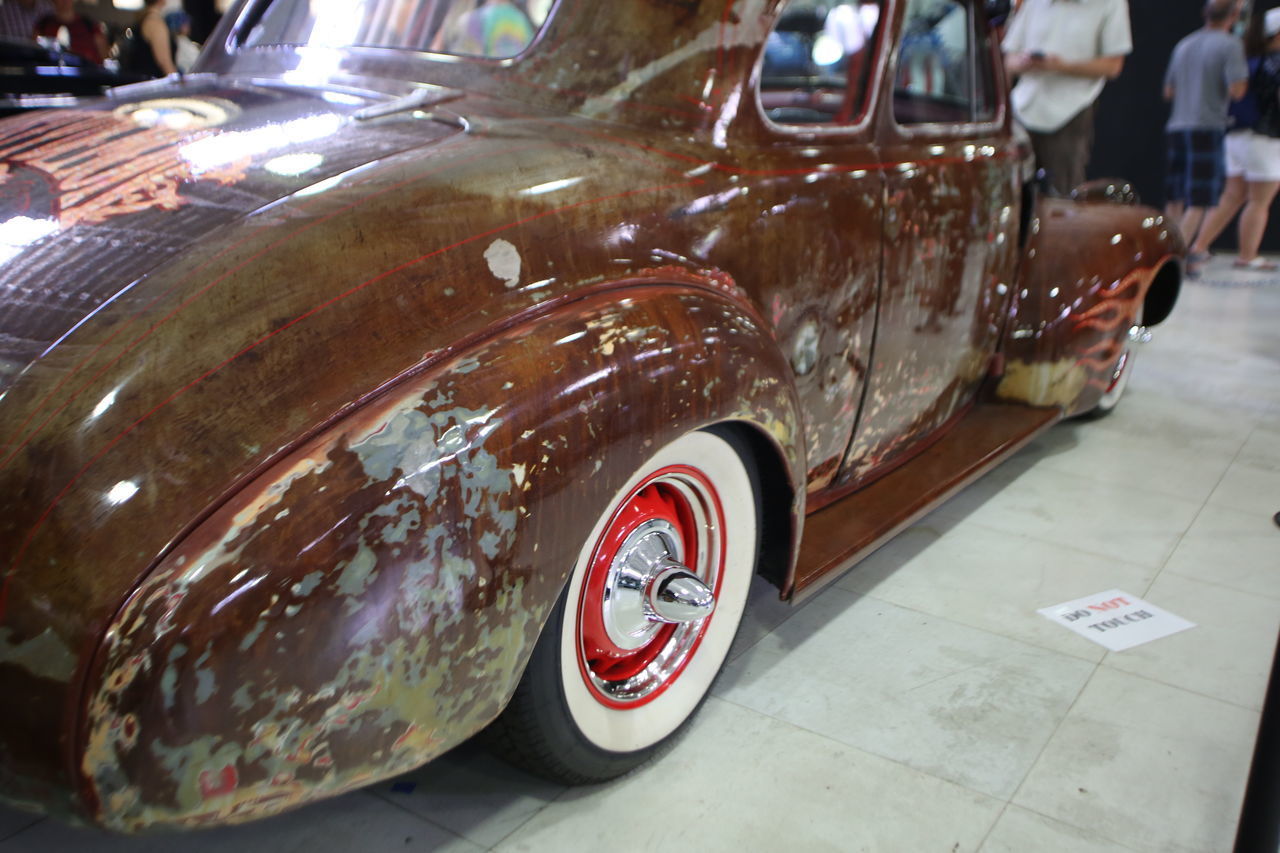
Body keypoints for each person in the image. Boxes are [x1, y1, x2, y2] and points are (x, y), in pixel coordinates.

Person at [1002, 0, 1133, 196]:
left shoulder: (1109, 4)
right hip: (1022, 109)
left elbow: (1113, 66)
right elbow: (1009, 58)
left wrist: (1061, 66)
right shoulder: (1033, 3)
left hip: (1070, 112)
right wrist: (1024, 62)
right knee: (1009, 191)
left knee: (1063, 195)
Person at [1190, 6, 1280, 272]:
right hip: (1264, 139)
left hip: (1236, 136)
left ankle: (1198, 246)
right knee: (1259, 200)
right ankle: (1247, 255)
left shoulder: (1249, 58)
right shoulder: (1275, 62)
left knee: (1232, 195)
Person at [1162, 0, 1249, 249]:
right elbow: (1237, 90)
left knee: (1176, 196)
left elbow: (1169, 91)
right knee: (1199, 198)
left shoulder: (1184, 44)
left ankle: (1162, 252)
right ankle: (1176, 254)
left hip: (1178, 125)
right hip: (1207, 127)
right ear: (1234, 15)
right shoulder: (1231, 45)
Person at [33, 0, 108, 65]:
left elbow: (105, 57)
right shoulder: (43, 25)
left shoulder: (90, 25)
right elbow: (34, 53)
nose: (65, 1)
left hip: (88, 76)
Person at [122, 0, 177, 78]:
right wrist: (178, 83)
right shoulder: (155, 23)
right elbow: (163, 61)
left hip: (140, 80)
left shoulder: (143, 19)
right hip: (153, 83)